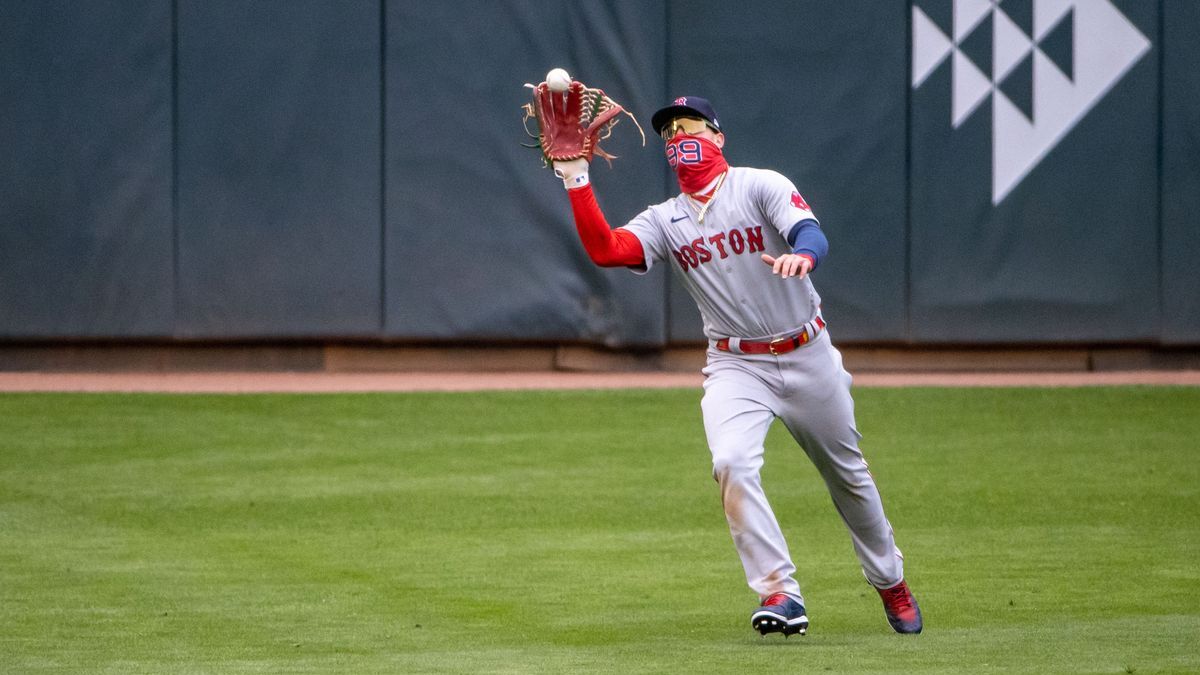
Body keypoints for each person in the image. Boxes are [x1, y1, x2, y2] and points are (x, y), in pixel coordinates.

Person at [549, 96, 922, 636]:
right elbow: (608, 250)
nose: (679, 135)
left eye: (691, 125)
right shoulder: (666, 220)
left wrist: (805, 256)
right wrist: (576, 177)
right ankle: (780, 591)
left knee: (848, 477)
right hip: (735, 364)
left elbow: (809, 231)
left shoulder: (758, 185)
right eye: (669, 132)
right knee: (731, 462)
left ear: (718, 137)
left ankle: (890, 581)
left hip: (807, 352)